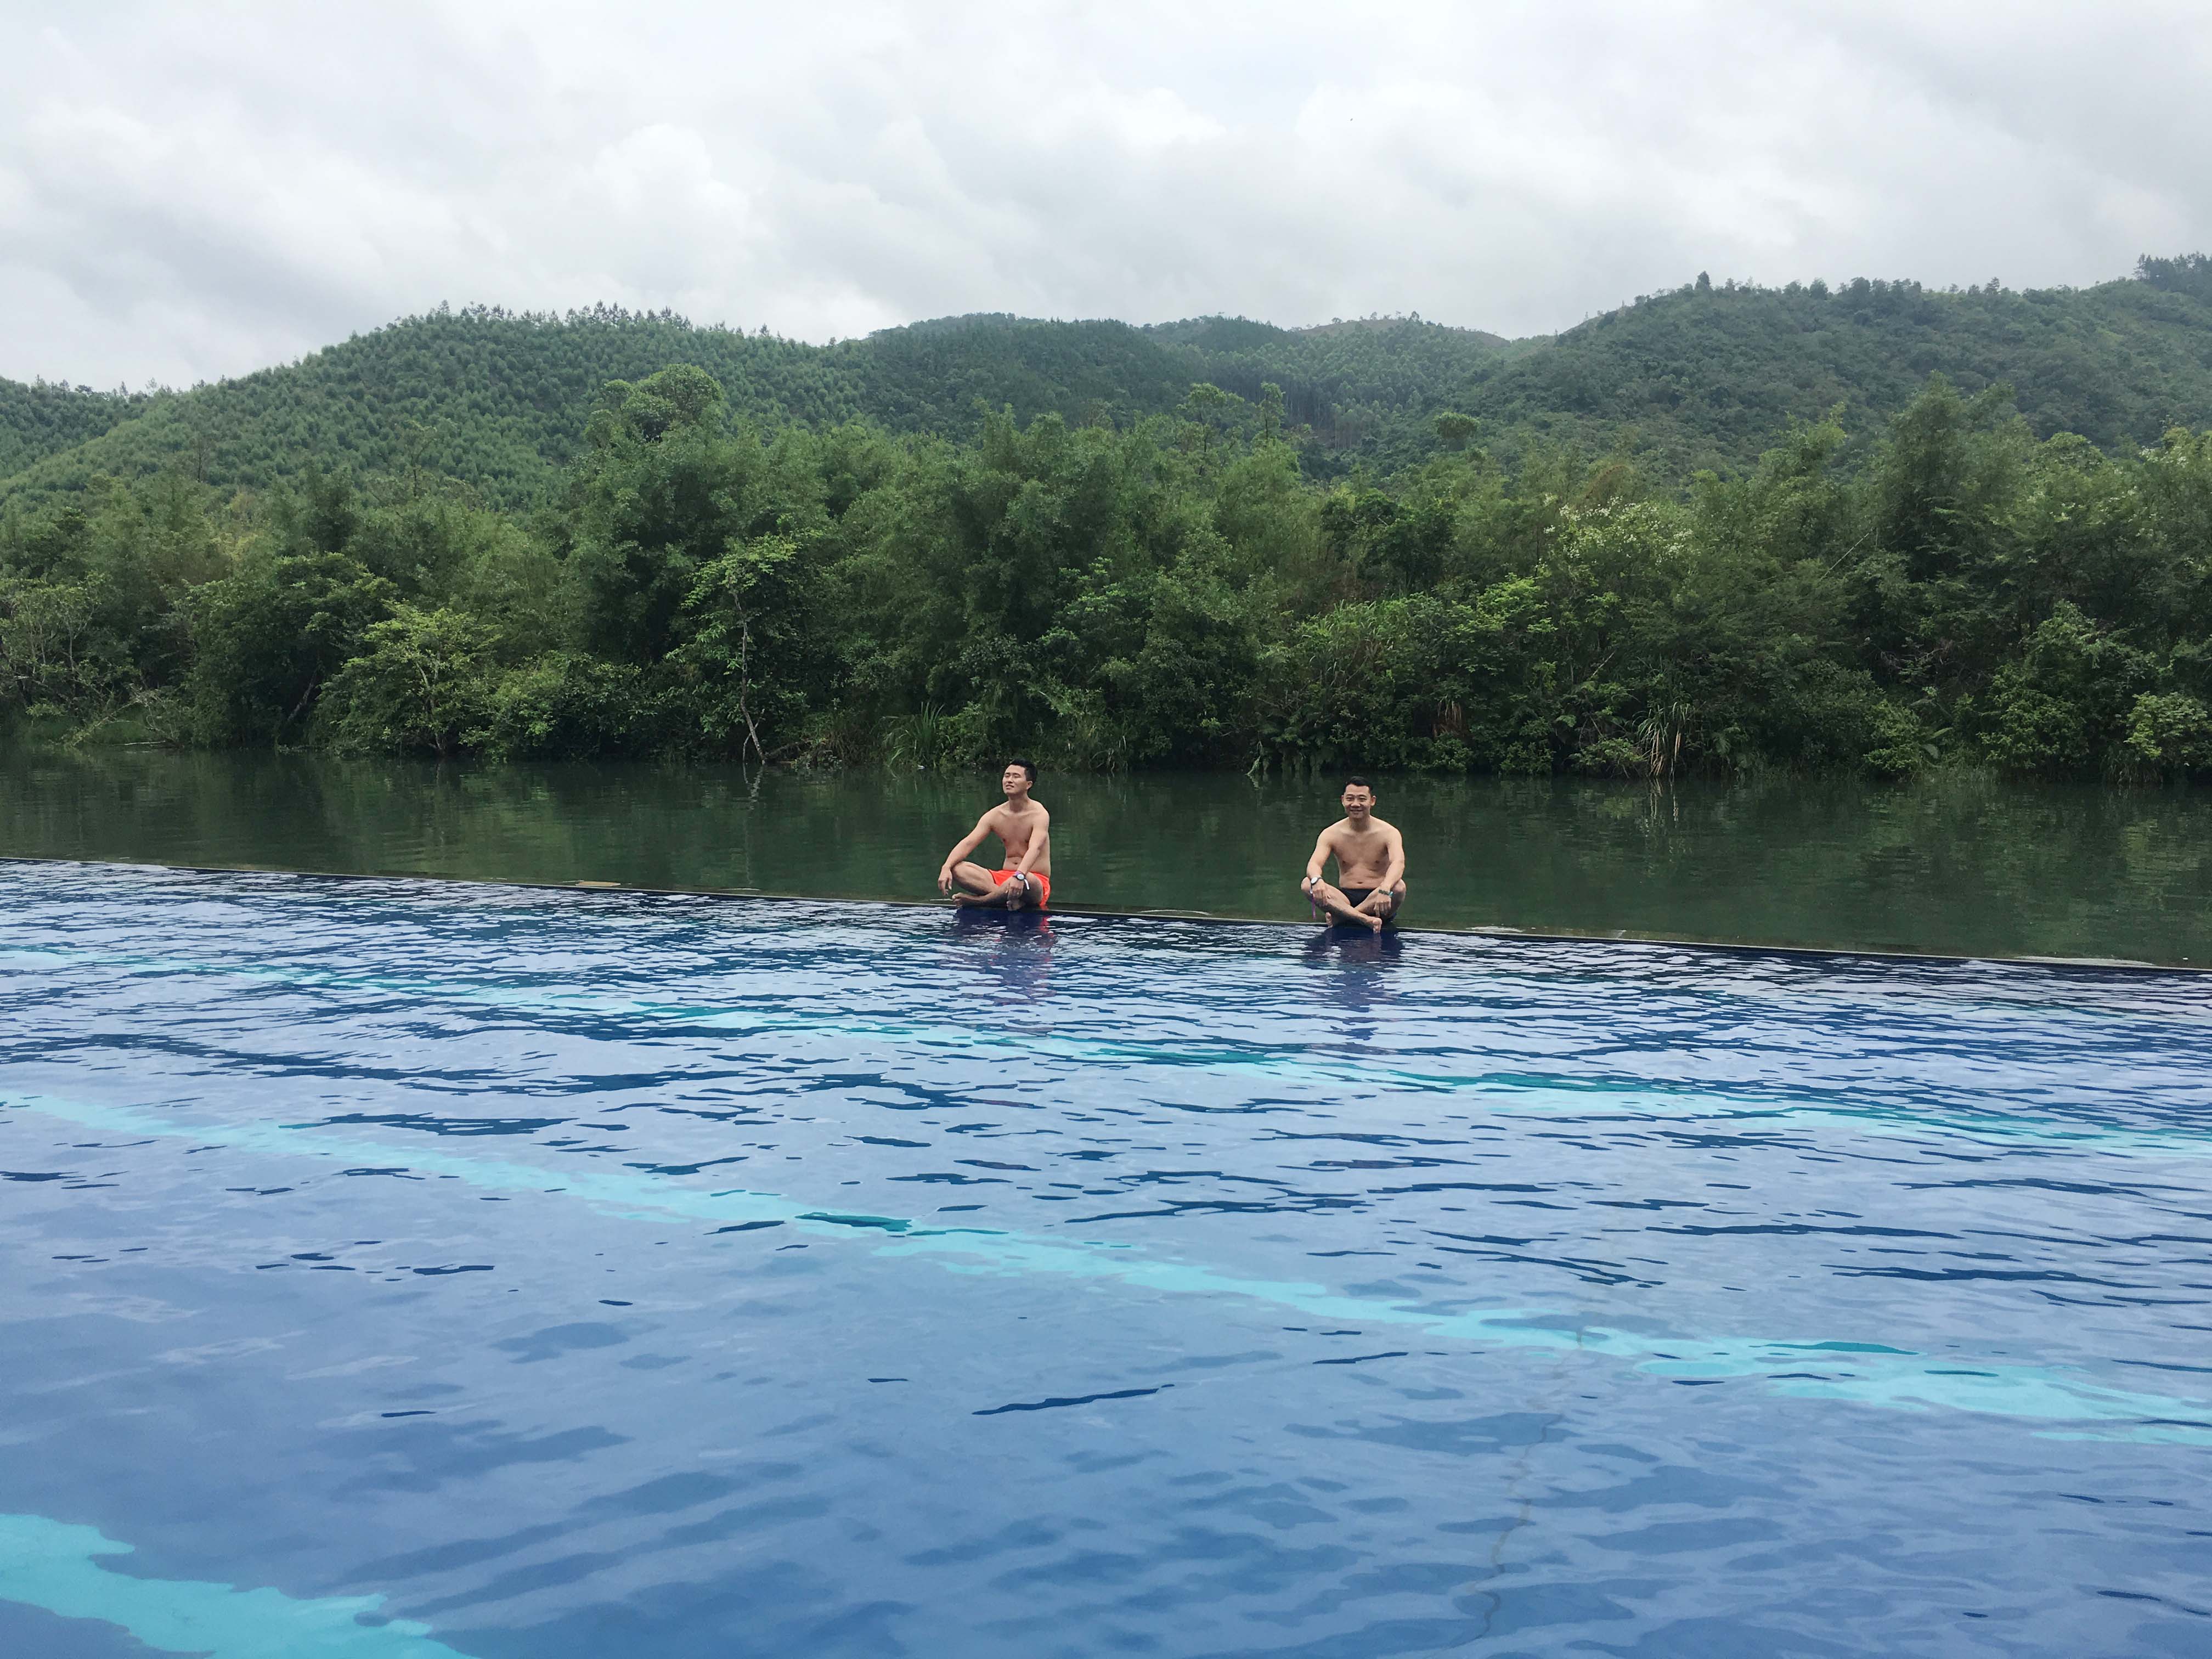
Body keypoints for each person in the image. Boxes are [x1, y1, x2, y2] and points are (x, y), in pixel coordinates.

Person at [938, 759, 1053, 910]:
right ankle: (1007, 898)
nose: (1009, 780)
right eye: (1007, 776)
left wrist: (1020, 875)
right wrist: (946, 867)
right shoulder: (996, 815)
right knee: (958, 869)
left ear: (1028, 784)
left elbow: (1035, 848)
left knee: (1028, 879)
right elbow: (968, 843)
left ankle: (981, 901)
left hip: (1033, 880)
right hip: (1003, 878)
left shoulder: (1039, 814)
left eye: (1016, 777)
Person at [1300, 776, 1406, 932]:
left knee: (1399, 888)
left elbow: (1398, 863)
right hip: (1344, 898)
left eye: (1362, 799)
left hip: (1378, 898)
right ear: (1343, 800)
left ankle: (1344, 917)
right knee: (1307, 883)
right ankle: (1364, 919)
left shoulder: (1389, 832)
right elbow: (1314, 863)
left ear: (1372, 801)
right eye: (1350, 799)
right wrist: (1317, 880)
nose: (1355, 804)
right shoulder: (1331, 833)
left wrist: (1385, 887)